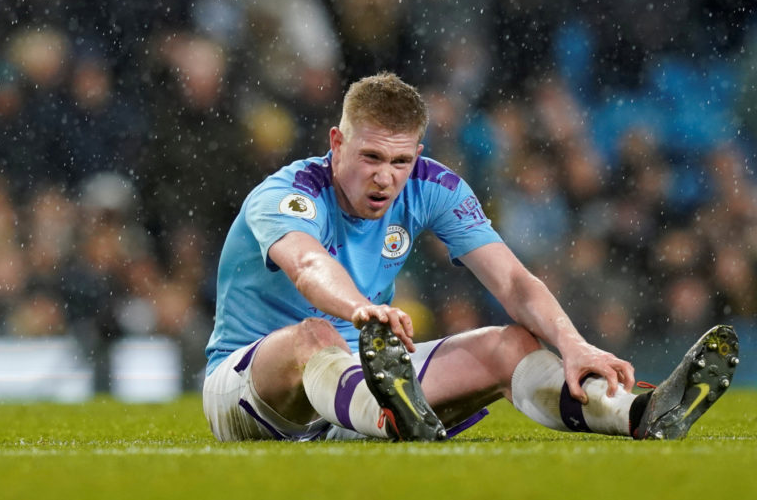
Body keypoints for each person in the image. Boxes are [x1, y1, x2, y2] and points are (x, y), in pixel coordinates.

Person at [202, 72, 740, 442]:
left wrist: (573, 344)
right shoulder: (288, 194)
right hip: (251, 391)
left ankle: (641, 415)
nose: (386, 176)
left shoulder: (434, 187)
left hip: (362, 376)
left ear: (418, 152)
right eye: (369, 156)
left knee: (509, 344)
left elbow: (511, 281)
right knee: (313, 335)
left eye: (400, 160)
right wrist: (361, 311)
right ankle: (389, 414)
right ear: (336, 142)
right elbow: (309, 265)